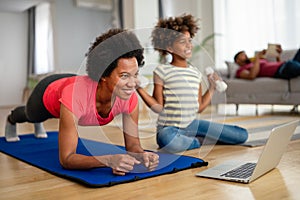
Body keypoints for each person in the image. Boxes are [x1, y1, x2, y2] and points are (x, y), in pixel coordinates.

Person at [5, 28, 159, 175]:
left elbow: (133, 146)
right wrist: (108, 160)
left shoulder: (129, 96)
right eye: (124, 76)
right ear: (103, 74)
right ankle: (12, 118)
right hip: (48, 90)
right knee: (31, 115)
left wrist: (143, 155)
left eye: (135, 74)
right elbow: (66, 159)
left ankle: (37, 123)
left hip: (75, 82)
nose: (133, 83)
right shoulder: (74, 95)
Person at [136, 14, 248, 153]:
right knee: (168, 142)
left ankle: (192, 139)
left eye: (190, 40)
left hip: (193, 124)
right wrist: (139, 88)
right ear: (170, 47)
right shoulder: (162, 71)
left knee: (241, 135)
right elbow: (158, 107)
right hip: (169, 129)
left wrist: (212, 88)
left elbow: (199, 107)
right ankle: (197, 142)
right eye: (183, 42)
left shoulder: (195, 73)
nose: (189, 45)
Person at [234, 47, 300, 80]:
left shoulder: (255, 62)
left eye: (245, 54)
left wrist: (278, 56)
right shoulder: (240, 70)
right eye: (243, 55)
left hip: (286, 64)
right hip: (283, 70)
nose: (246, 55)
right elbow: (251, 76)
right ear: (237, 60)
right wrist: (257, 58)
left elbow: (277, 64)